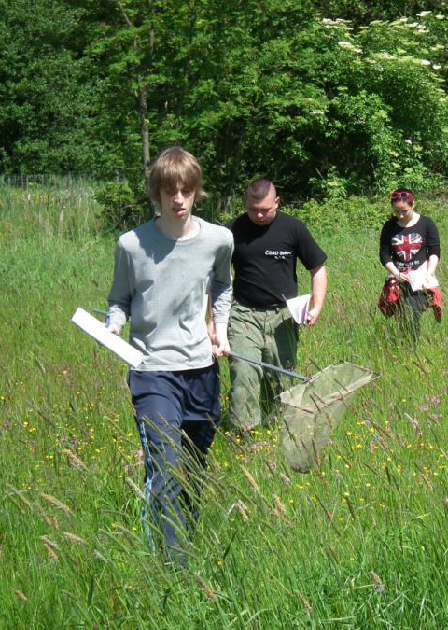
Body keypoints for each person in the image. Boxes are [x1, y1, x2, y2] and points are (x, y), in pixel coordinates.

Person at [106, 147, 234, 567]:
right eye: (169, 192)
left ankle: (186, 537)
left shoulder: (218, 239)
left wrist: (220, 330)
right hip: (151, 370)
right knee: (165, 463)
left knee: (195, 467)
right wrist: (112, 324)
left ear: (196, 192)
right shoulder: (131, 244)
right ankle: (174, 567)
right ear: (156, 195)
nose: (178, 200)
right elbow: (119, 300)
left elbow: (223, 286)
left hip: (201, 369)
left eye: (186, 191)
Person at [226, 179, 327, 434]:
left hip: (283, 315)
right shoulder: (232, 231)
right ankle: (245, 436)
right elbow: (214, 274)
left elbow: (318, 268)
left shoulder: (293, 228)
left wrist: (316, 306)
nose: (259, 215)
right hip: (243, 314)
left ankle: (277, 431)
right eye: (253, 209)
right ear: (245, 204)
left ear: (277, 203)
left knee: (281, 379)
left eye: (265, 210)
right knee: (244, 372)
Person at [378, 188, 441, 343]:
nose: (400, 215)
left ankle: (411, 348)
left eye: (404, 211)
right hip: (398, 278)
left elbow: (434, 251)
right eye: (396, 211)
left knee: (412, 312)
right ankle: (405, 346)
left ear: (413, 205)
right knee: (401, 316)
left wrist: (429, 274)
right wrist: (396, 273)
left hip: (421, 279)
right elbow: (384, 254)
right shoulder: (389, 227)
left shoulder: (427, 224)